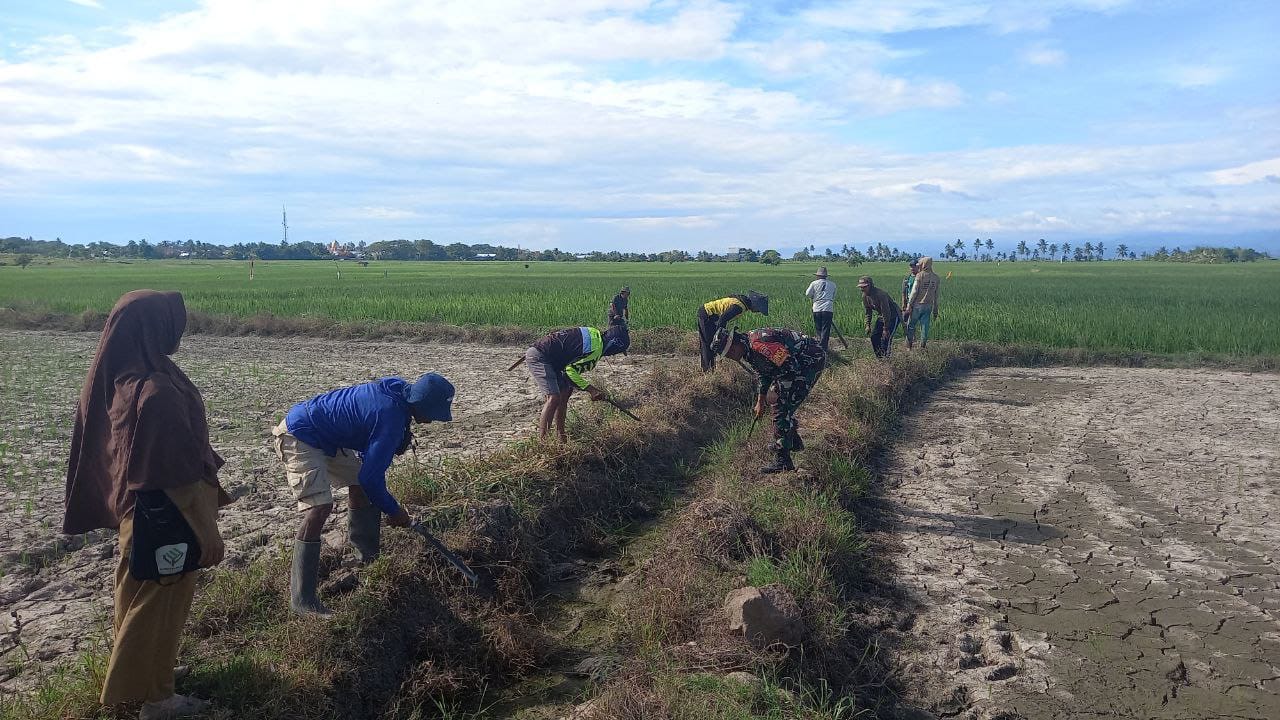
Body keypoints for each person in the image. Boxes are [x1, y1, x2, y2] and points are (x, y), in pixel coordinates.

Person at [64, 290, 230, 720]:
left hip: (137, 516)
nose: (180, 330)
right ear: (155, 327)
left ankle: (155, 675)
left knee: (137, 597)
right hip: (169, 519)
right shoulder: (156, 392)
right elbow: (173, 477)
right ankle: (157, 702)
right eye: (174, 321)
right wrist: (208, 532)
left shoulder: (119, 376)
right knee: (160, 606)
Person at [272, 373, 456, 615]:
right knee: (320, 508)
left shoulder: (398, 391)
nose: (433, 421)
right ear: (422, 405)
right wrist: (394, 511)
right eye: (433, 414)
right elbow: (371, 477)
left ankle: (367, 559)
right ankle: (302, 600)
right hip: (301, 435)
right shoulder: (390, 418)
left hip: (329, 436)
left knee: (358, 489)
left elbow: (366, 473)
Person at [722, 327, 826, 473]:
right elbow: (763, 372)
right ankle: (792, 441)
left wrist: (777, 390)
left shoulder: (759, 345)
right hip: (796, 364)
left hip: (809, 361)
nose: (731, 357)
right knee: (775, 399)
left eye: (730, 352)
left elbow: (790, 366)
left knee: (780, 406)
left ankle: (783, 460)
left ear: (735, 343)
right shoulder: (748, 348)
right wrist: (760, 401)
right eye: (727, 355)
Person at [524, 324, 630, 441]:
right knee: (553, 398)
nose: (614, 354)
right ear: (614, 346)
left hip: (550, 357)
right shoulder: (595, 351)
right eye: (617, 351)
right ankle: (543, 443)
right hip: (540, 357)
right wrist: (592, 390)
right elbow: (570, 372)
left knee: (565, 393)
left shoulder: (593, 332)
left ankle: (561, 438)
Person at [697, 291, 769, 371]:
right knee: (708, 344)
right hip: (707, 314)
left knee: (712, 344)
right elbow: (723, 319)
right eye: (758, 309)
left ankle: (710, 368)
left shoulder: (741, 302)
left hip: (711, 316)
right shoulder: (739, 307)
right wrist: (718, 336)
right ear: (755, 304)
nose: (757, 311)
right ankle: (707, 370)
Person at [858, 276, 901, 359]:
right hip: (881, 316)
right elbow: (868, 311)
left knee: (886, 339)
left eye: (864, 287)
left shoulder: (881, 294)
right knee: (874, 337)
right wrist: (868, 325)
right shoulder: (864, 296)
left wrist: (886, 328)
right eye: (861, 287)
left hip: (892, 316)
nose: (862, 289)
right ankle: (880, 358)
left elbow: (886, 312)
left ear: (870, 285)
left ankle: (887, 359)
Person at [904, 255, 941, 350]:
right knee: (925, 328)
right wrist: (935, 309)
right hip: (929, 306)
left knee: (911, 326)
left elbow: (914, 291)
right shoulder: (936, 278)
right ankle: (922, 348)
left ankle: (909, 348)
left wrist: (909, 305)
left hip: (917, 305)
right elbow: (936, 295)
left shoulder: (920, 275)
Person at [804, 267, 837, 351]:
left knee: (818, 328)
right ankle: (824, 348)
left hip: (817, 307)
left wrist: (813, 296)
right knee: (826, 329)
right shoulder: (832, 284)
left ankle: (819, 346)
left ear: (817, 276)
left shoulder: (814, 283)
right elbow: (833, 296)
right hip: (828, 307)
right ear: (826, 276)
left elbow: (807, 294)